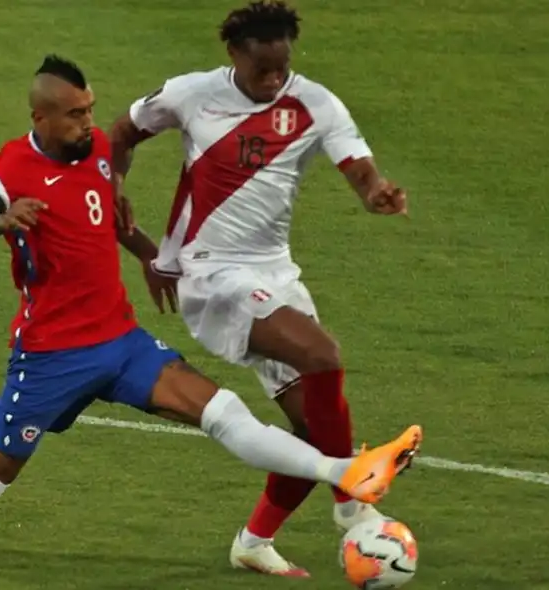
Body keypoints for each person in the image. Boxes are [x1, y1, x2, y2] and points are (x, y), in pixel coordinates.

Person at [0, 55, 422, 560]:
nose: (89, 122)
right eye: (76, 114)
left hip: (120, 341)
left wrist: (151, 256)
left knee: (226, 412)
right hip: (52, 357)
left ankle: (344, 474)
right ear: (41, 116)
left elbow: (108, 216)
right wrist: (1, 220)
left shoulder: (98, 149)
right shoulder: (11, 167)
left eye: (90, 109)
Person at [107, 0, 412, 577]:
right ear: (233, 55)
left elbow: (359, 166)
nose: (273, 80)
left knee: (310, 432)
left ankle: (252, 542)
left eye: (281, 67)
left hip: (276, 274)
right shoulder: (191, 94)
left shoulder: (313, 103)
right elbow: (120, 132)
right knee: (323, 353)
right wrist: (117, 182)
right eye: (261, 70)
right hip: (210, 271)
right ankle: (351, 506)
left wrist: (374, 192)